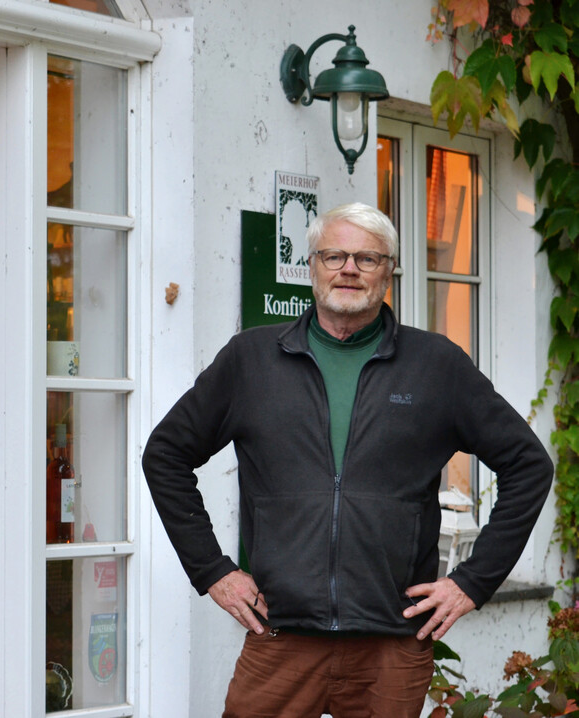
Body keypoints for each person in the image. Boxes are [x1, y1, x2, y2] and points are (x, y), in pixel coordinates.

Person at [141, 202, 553, 717]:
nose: (349, 269)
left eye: (367, 258)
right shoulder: (251, 360)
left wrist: (472, 582)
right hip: (281, 637)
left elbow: (528, 464)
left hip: (391, 646)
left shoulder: (436, 365)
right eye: (334, 255)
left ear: (390, 273)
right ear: (311, 266)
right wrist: (212, 571)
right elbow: (165, 455)